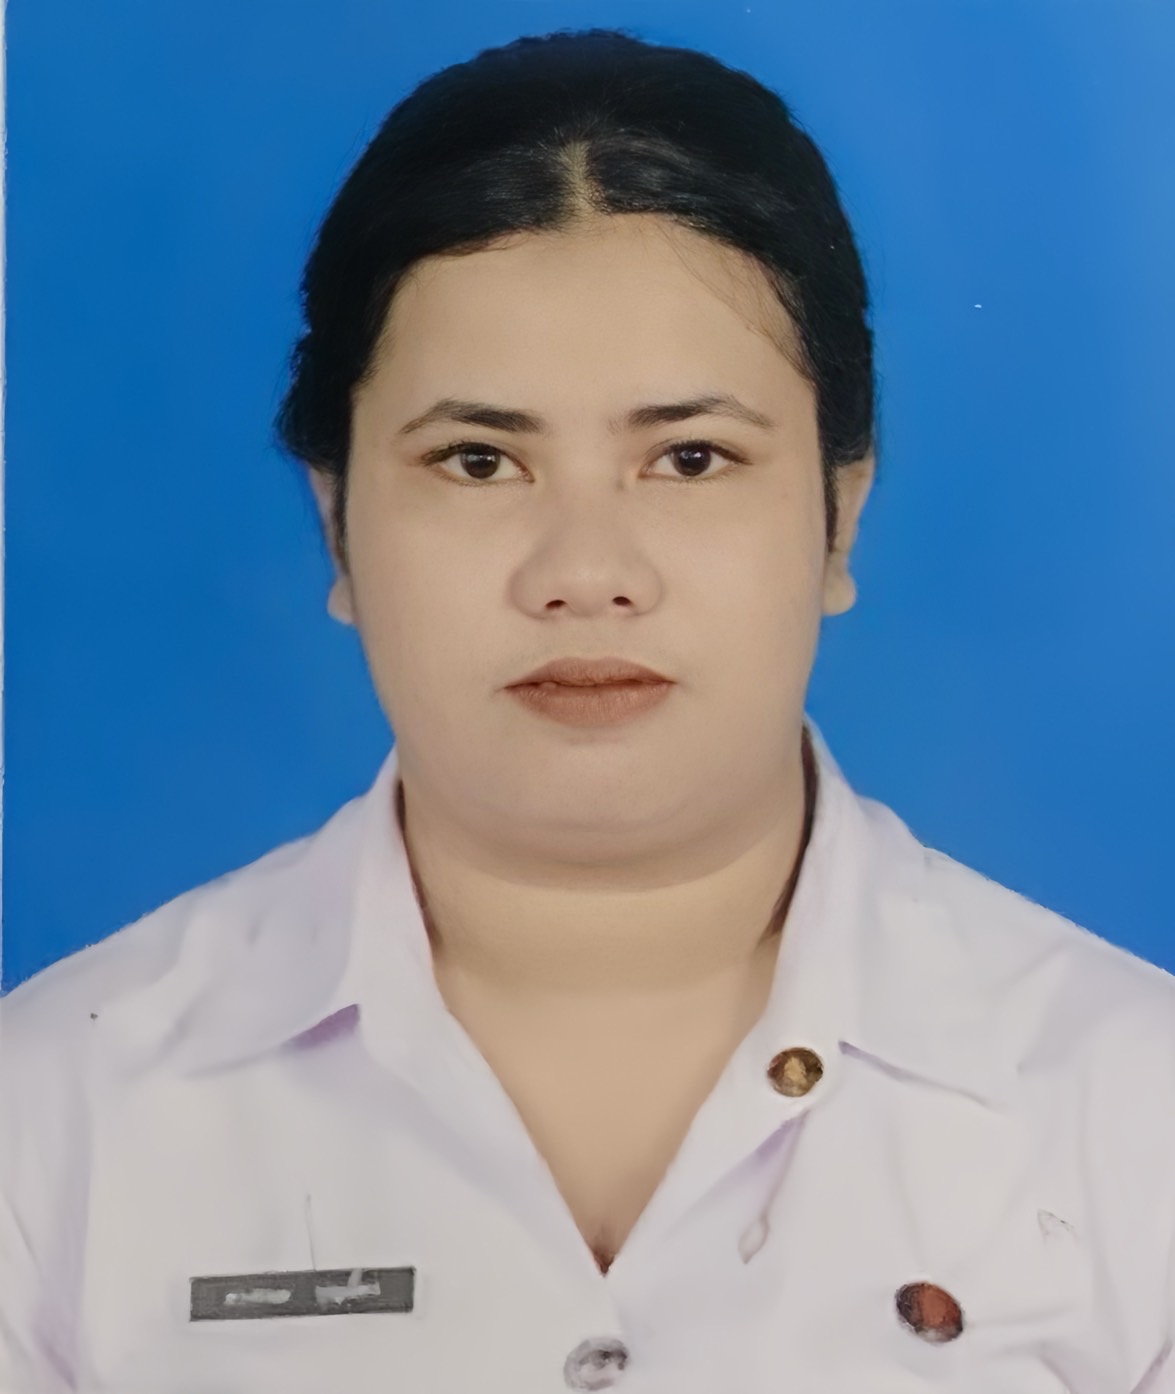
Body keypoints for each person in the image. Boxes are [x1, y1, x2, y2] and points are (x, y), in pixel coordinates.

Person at [2, 25, 1173, 1394]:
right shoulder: (57, 1117)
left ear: (840, 512)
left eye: (691, 457)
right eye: (477, 460)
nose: (586, 572)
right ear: (336, 522)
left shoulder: (1131, 1109)